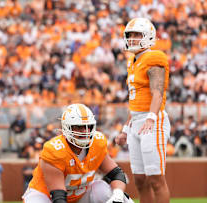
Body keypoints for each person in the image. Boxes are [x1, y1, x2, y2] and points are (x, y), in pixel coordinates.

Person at [23, 104, 134, 203]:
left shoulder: (97, 143)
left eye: (88, 126)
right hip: (46, 195)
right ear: (66, 128)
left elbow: (116, 174)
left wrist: (118, 194)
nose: (85, 131)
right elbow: (58, 197)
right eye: (79, 127)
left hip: (79, 195)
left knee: (102, 189)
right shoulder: (54, 150)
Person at [115, 18, 170, 203]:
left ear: (149, 36)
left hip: (152, 120)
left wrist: (151, 118)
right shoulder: (132, 60)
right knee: (140, 179)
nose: (132, 39)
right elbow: (135, 101)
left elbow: (158, 92)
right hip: (136, 121)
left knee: (156, 179)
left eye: (137, 35)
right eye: (130, 35)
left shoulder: (154, 57)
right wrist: (125, 128)